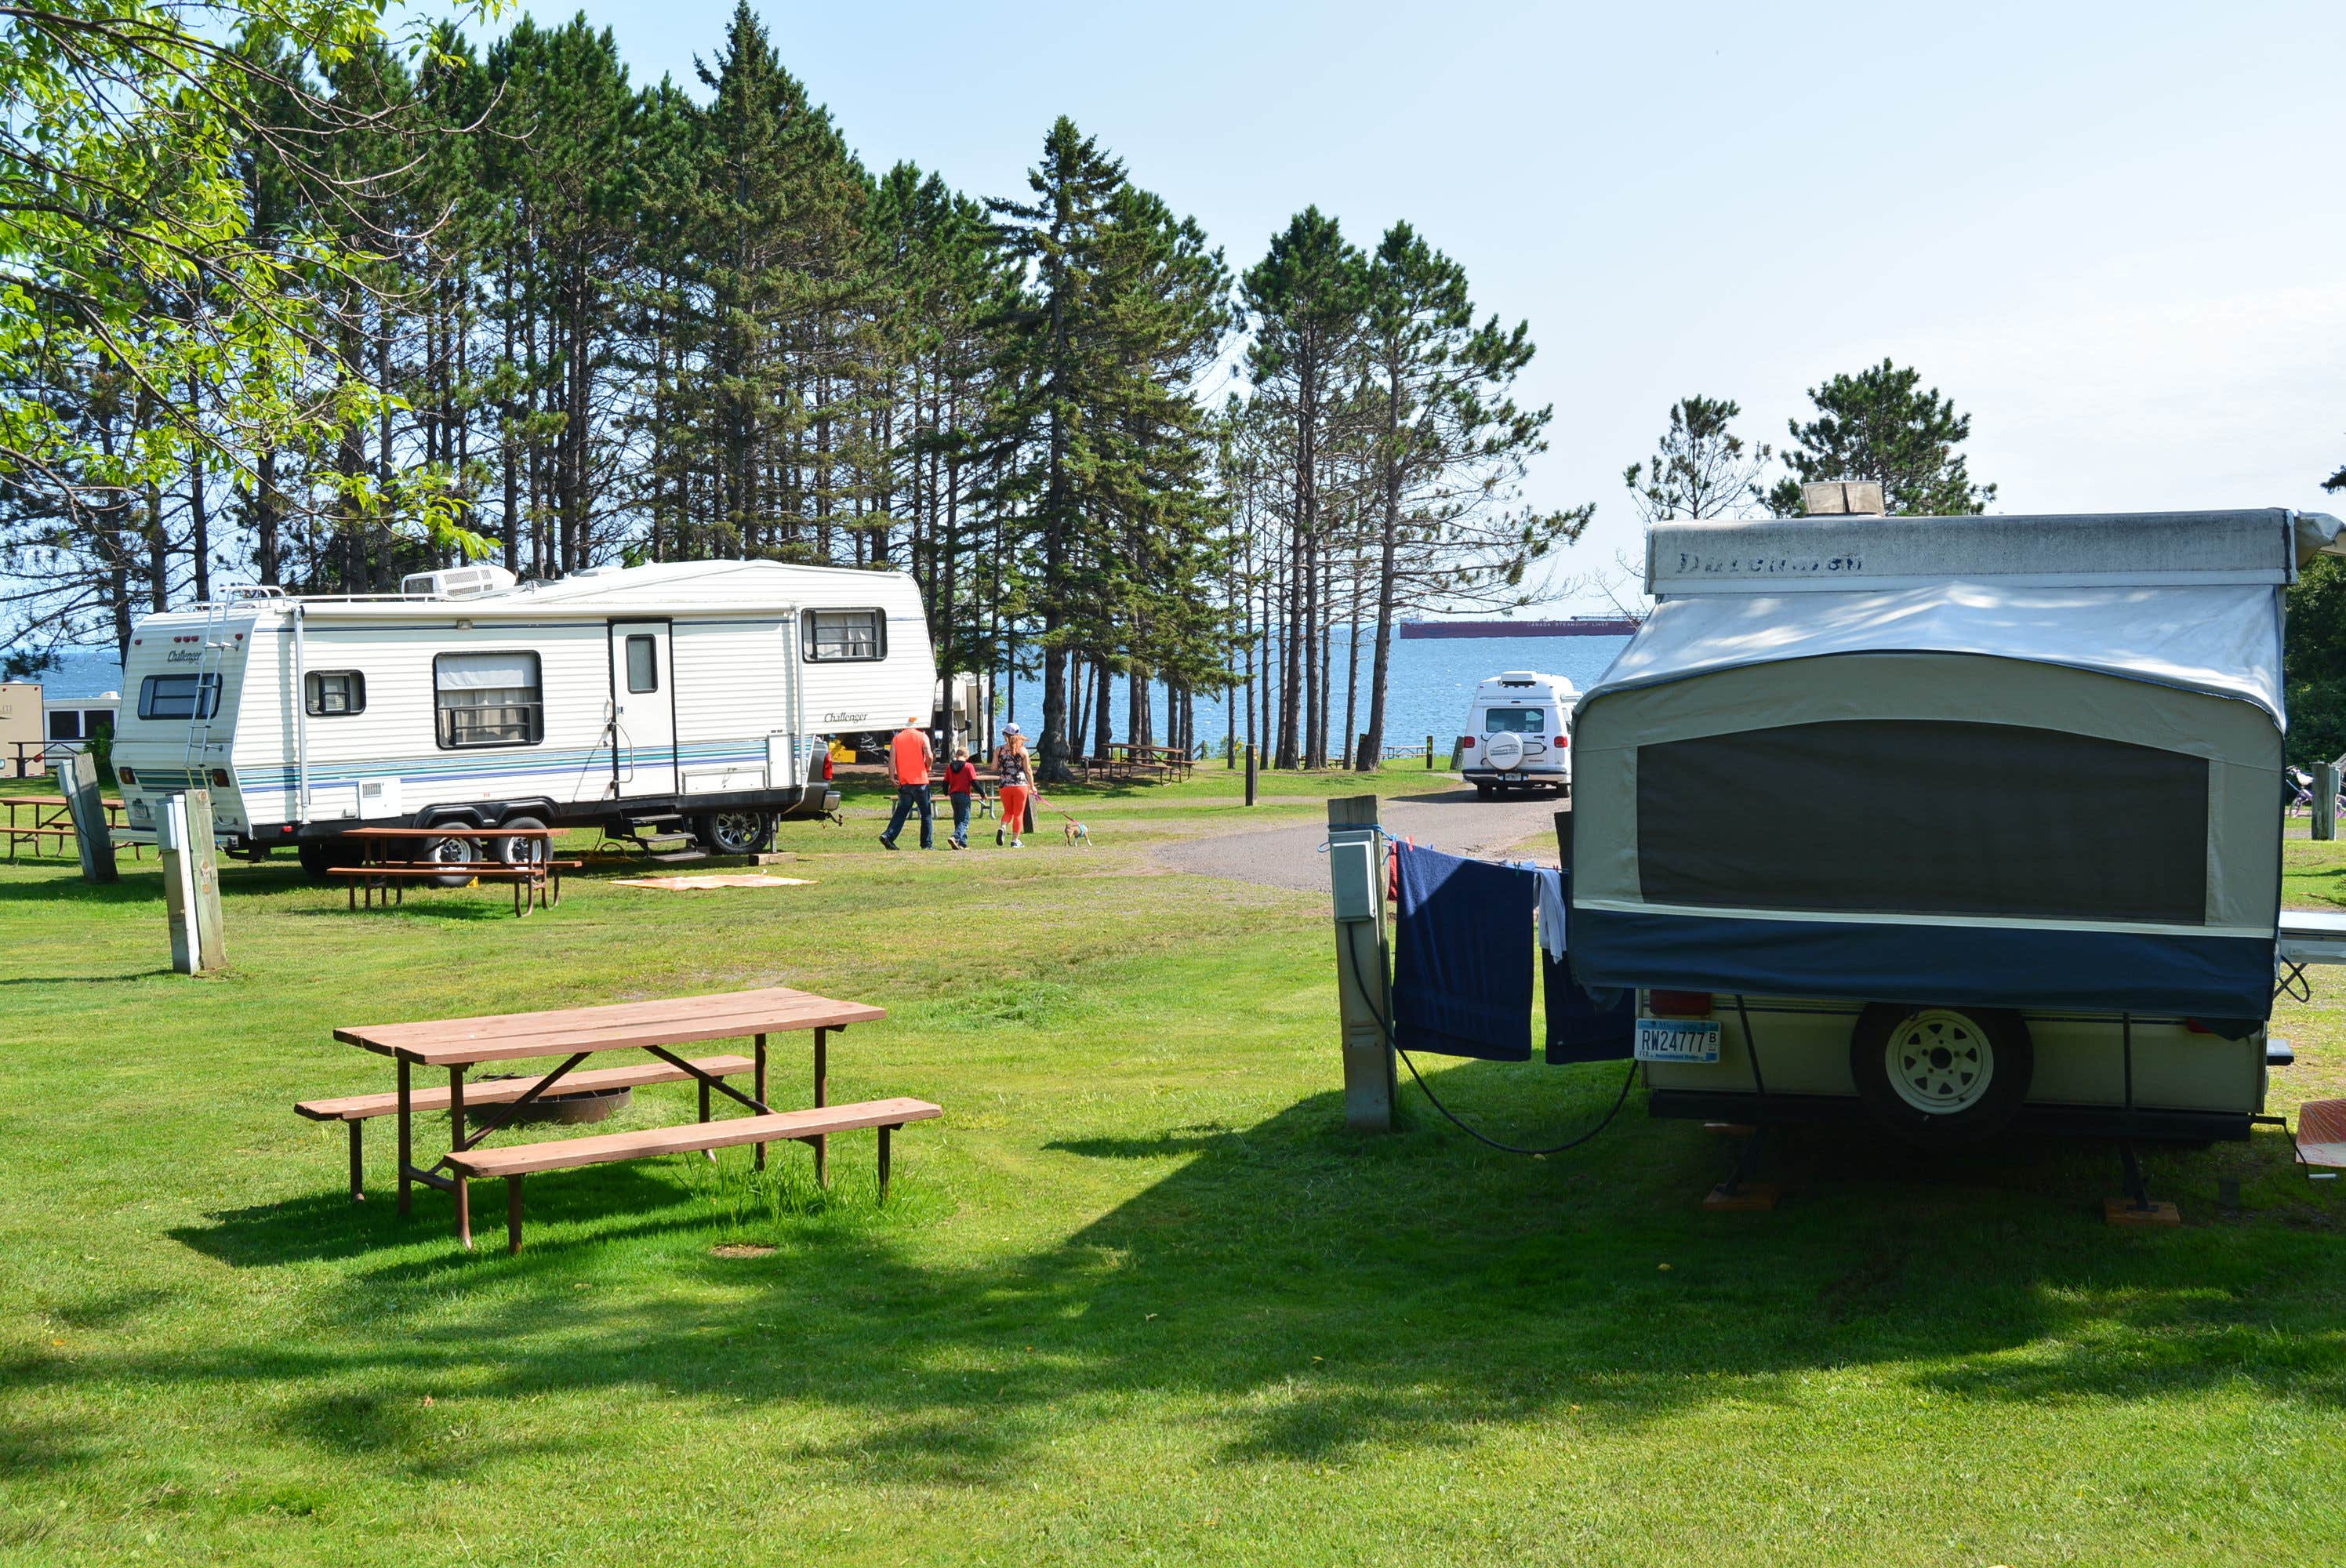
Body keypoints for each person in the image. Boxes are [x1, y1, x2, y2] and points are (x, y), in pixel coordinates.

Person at [878, 714, 935, 850]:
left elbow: (891, 760)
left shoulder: (897, 739)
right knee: (926, 813)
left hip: (904, 782)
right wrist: (928, 766)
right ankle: (926, 844)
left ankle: (888, 835)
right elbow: (929, 755)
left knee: (902, 811)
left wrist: (892, 777)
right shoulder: (922, 736)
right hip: (920, 781)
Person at [994, 724, 1032, 849]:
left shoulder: (999, 750)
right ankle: (1015, 840)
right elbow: (1028, 770)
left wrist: (1003, 764)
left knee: (1008, 811)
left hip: (1004, 784)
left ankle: (1003, 827)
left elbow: (993, 767)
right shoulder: (1022, 750)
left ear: (1005, 735)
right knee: (1018, 814)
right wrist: (1032, 786)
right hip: (1020, 785)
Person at [943, 746, 979, 850]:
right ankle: (956, 837)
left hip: (953, 796)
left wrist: (945, 792)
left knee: (958, 819)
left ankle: (962, 843)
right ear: (967, 756)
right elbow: (974, 782)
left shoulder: (950, 766)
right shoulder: (968, 766)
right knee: (964, 820)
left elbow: (945, 781)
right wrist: (982, 793)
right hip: (964, 795)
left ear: (956, 755)